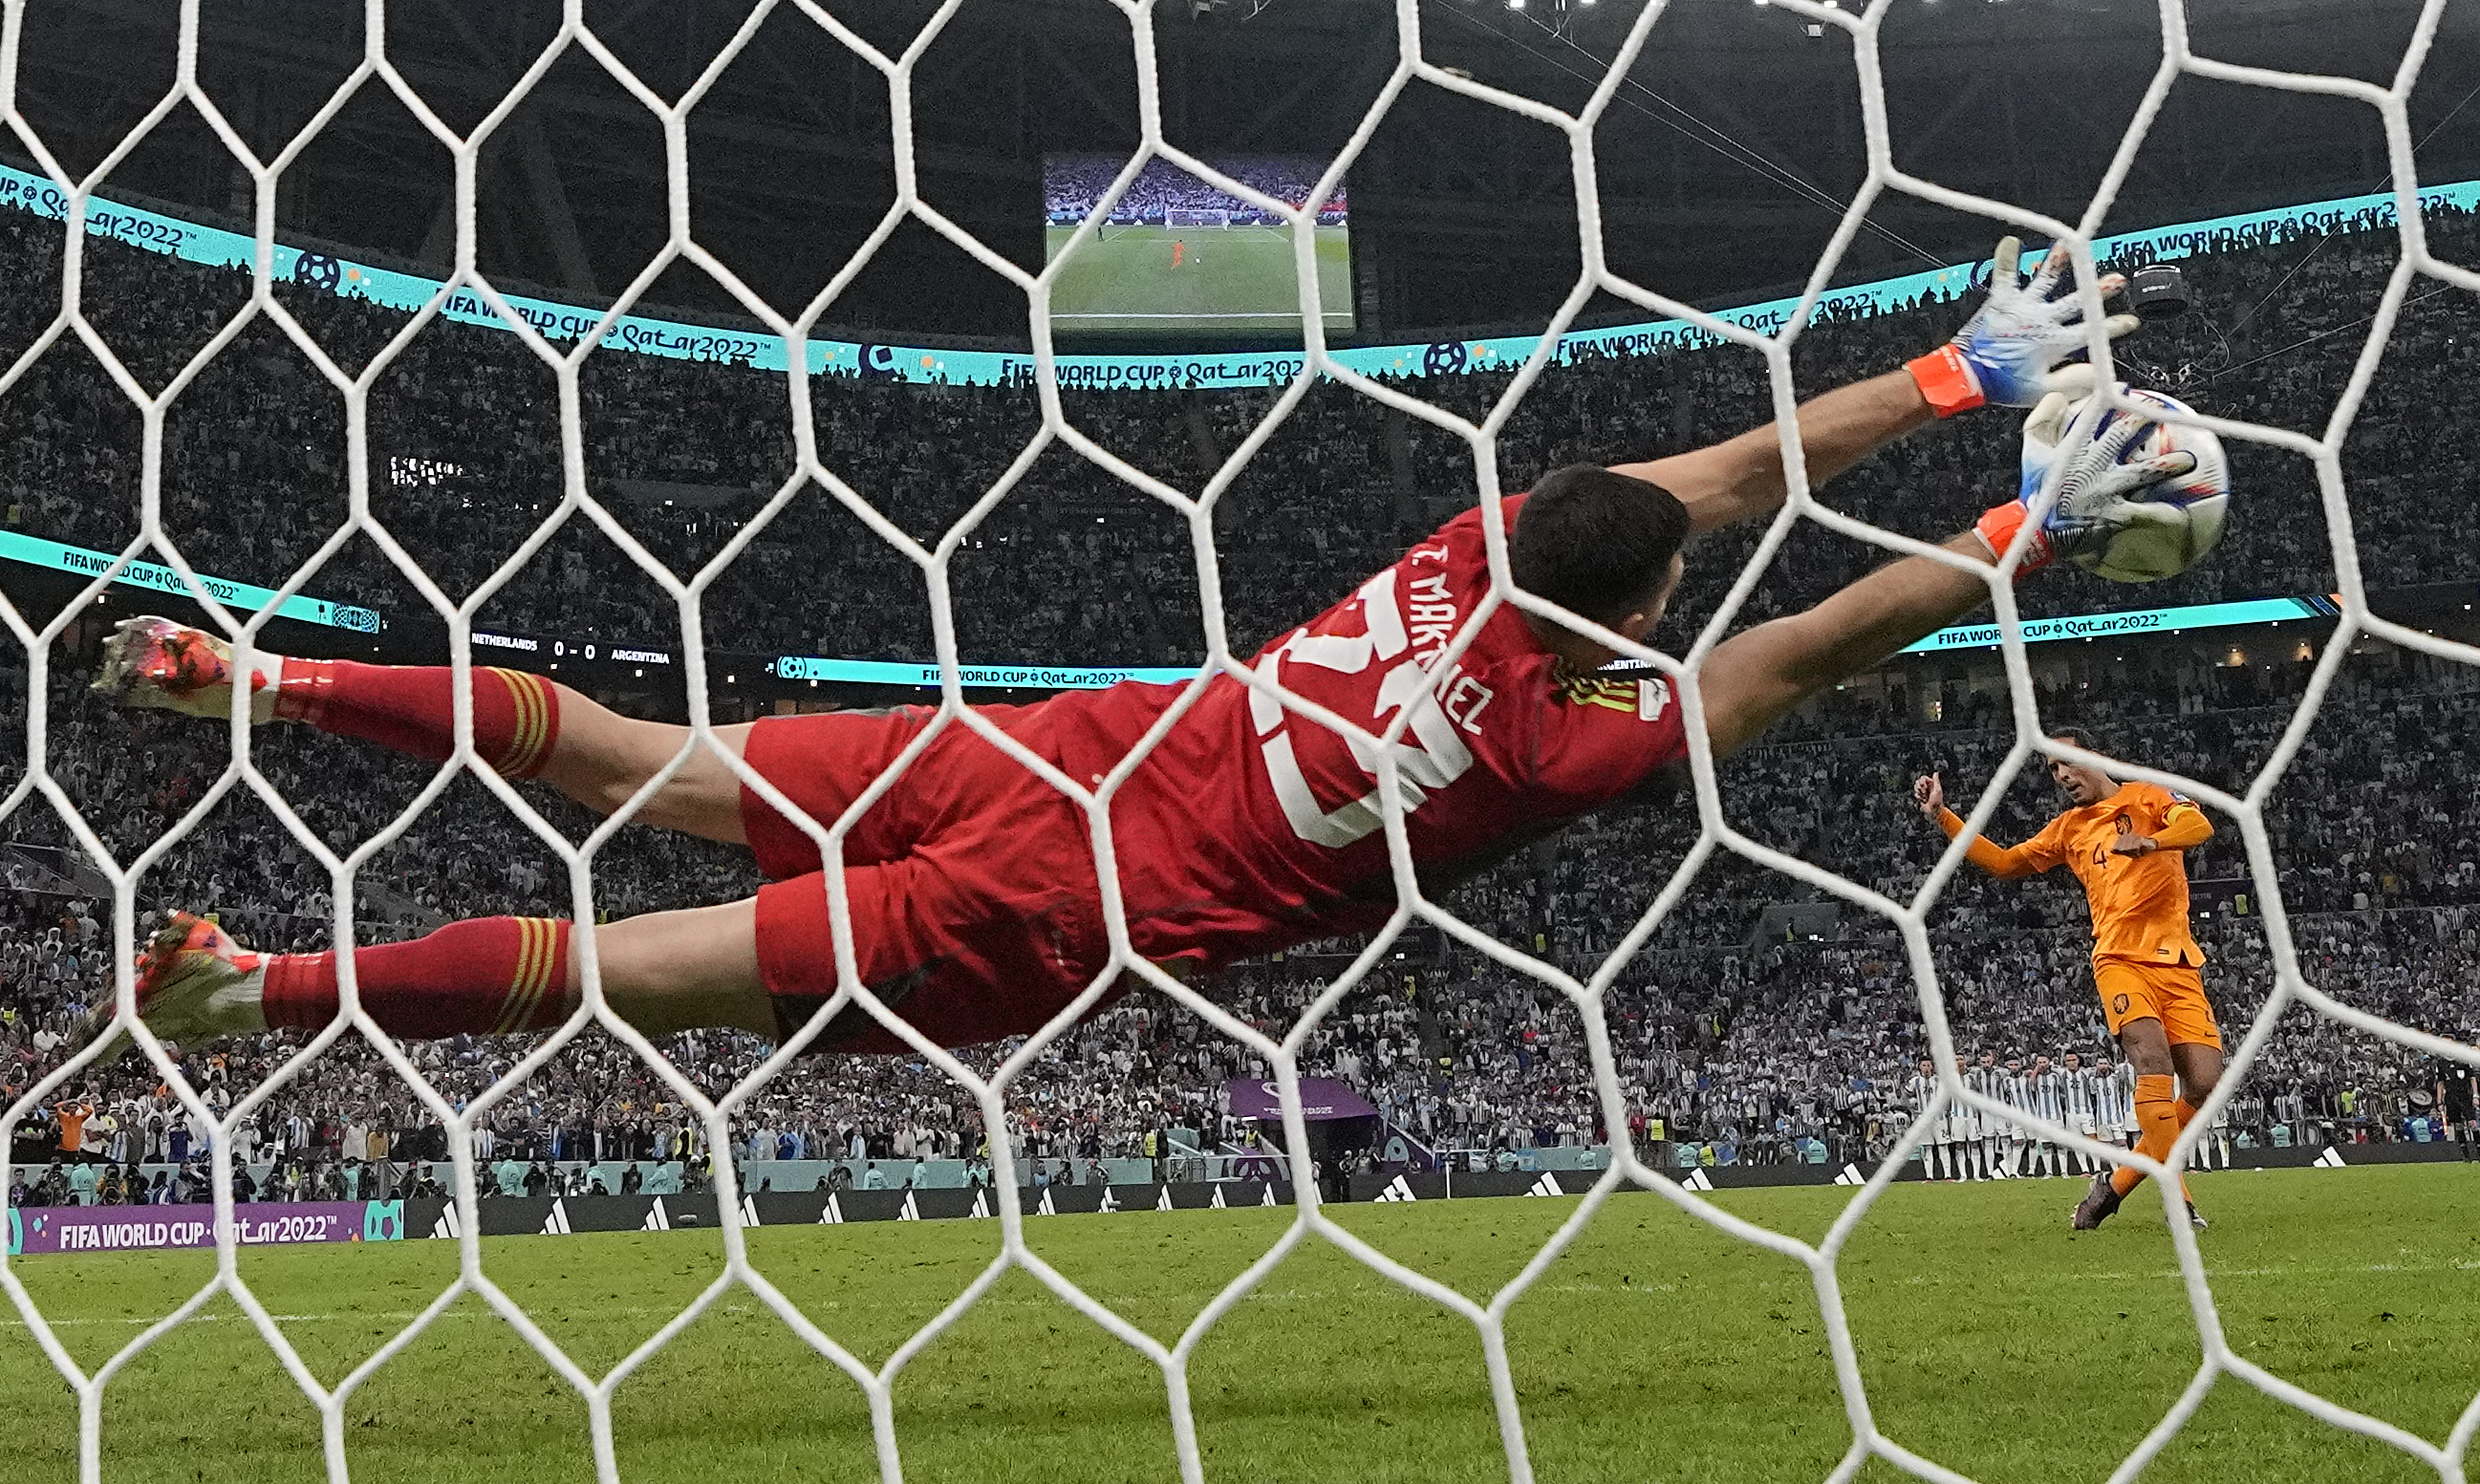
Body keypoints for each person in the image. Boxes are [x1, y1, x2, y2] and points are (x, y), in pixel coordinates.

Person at [82, 243, 2184, 1081]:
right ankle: (243, 988)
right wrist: (2023, 526)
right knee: (634, 963)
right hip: (1051, 896)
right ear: (1623, 617)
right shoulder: (1559, 743)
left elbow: (1713, 472)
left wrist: (1946, 374)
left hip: (1035, 751)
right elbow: (1796, 634)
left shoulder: (1463, 547)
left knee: (636, 752)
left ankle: (262, 680)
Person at [1913, 730, 2221, 1232]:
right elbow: (2004, 861)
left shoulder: (2149, 796)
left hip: (2177, 959)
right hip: (2119, 959)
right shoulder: (2069, 828)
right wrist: (1942, 816)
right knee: (2151, 1059)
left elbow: (2198, 824)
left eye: (2066, 765)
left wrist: (2151, 841)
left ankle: (2113, 1187)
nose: (2061, 777)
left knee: (2204, 1083)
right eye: (2053, 771)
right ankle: (2178, 1201)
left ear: (2092, 757)